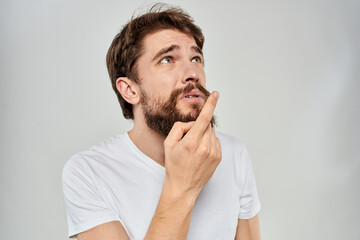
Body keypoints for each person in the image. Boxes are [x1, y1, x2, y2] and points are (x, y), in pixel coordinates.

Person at [62, 4, 261, 240]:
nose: (193, 73)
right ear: (130, 90)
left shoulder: (233, 153)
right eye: (167, 59)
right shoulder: (88, 172)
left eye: (196, 58)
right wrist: (182, 187)